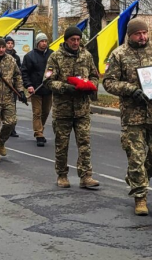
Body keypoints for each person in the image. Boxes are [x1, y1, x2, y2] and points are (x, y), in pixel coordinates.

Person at [103, 19, 152, 216]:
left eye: (145, 33)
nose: (143, 37)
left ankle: (136, 177)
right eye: (138, 34)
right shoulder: (119, 54)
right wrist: (130, 90)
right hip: (133, 116)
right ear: (130, 35)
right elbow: (109, 82)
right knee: (136, 157)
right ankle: (140, 197)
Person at [43, 26, 100, 189]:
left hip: (82, 108)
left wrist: (90, 86)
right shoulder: (55, 57)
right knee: (62, 144)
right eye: (72, 40)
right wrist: (64, 87)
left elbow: (95, 75)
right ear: (66, 41)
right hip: (63, 109)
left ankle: (86, 176)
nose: (76, 42)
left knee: (85, 143)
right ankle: (62, 174)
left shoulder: (86, 56)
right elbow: (47, 81)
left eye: (78, 39)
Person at [21, 33, 53, 147]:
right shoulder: (30, 56)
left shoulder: (52, 55)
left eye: (45, 41)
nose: (44, 43)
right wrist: (28, 85)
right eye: (42, 41)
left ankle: (40, 129)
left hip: (49, 89)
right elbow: (24, 72)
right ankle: (38, 134)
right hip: (36, 89)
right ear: (37, 43)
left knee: (46, 112)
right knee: (37, 112)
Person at [5, 36, 22, 138]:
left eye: (12, 43)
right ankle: (3, 127)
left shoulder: (16, 58)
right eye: (8, 43)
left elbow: (18, 72)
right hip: (2, 87)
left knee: (12, 108)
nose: (10, 45)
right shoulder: (1, 55)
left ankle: (12, 129)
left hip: (12, 87)